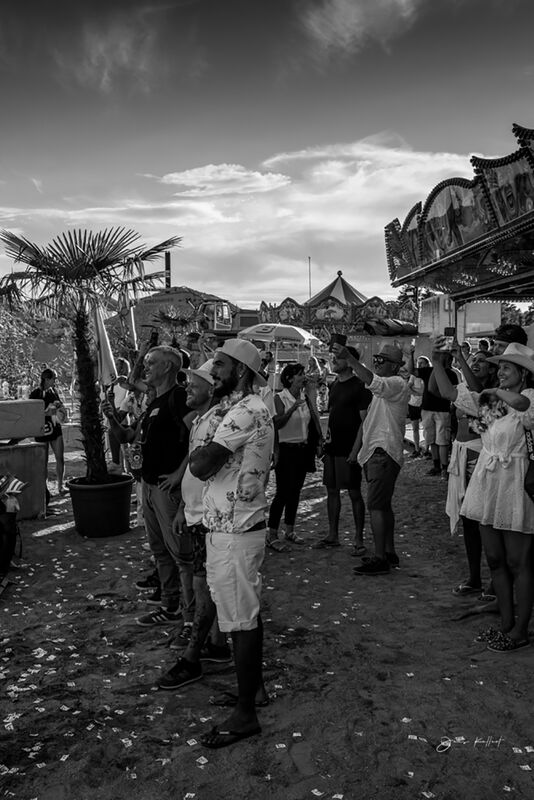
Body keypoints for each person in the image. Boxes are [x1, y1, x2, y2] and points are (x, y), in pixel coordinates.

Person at [189, 339, 274, 749]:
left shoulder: (244, 412)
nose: (212, 371)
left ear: (240, 371)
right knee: (243, 614)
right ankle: (253, 692)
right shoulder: (245, 408)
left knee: (241, 621)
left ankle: (245, 715)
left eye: (219, 365)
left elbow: (201, 465)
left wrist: (202, 446)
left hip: (236, 530)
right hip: (233, 525)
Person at [432, 342, 534, 652]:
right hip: (487, 481)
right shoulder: (494, 401)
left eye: (507, 368)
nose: (500, 372)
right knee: (495, 559)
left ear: (523, 374)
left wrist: (494, 393)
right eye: (499, 367)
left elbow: (522, 406)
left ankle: (520, 630)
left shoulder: (529, 397)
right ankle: (506, 624)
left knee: (518, 561)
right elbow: (452, 395)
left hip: (514, 481)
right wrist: (438, 361)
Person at [103, 346, 193, 628]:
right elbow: (128, 436)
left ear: (167, 367)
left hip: (168, 490)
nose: (145, 368)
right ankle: (170, 606)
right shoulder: (154, 402)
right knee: (160, 550)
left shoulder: (179, 397)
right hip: (149, 486)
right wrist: (112, 418)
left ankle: (190, 616)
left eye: (151, 363)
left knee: (180, 554)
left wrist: (179, 473)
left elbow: (200, 437)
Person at [158, 360, 235, 691]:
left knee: (204, 583)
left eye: (194, 383)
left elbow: (210, 469)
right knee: (204, 581)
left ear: (211, 389)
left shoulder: (219, 420)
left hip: (209, 515)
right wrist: (183, 507)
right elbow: (192, 468)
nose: (187, 387)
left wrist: (194, 509)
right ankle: (216, 644)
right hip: (195, 512)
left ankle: (196, 653)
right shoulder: (203, 419)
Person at [334, 343, 409, 575]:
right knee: (383, 506)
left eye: (381, 360)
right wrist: (358, 449)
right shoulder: (387, 388)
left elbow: (373, 381)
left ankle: (380, 558)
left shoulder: (395, 383)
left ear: (395, 366)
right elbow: (368, 420)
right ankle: (388, 552)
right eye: (376, 358)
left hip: (382, 452)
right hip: (379, 452)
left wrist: (351, 359)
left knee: (376, 506)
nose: (377, 363)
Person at [439, 343, 498, 601]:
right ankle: (475, 577)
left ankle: (495, 582)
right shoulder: (466, 389)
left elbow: (482, 421)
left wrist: (461, 359)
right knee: (469, 519)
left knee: (487, 520)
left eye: (481, 360)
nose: (476, 363)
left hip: (479, 455)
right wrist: (439, 361)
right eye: (473, 359)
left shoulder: (493, 394)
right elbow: (440, 390)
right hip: (461, 452)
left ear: (492, 369)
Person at [314, 346, 371, 553]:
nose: (334, 360)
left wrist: (356, 450)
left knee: (354, 493)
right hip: (333, 447)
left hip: (349, 448)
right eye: (333, 357)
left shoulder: (360, 386)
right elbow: (333, 416)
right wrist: (324, 441)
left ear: (350, 361)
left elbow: (365, 422)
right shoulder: (334, 384)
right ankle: (333, 535)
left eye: (338, 357)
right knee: (331, 490)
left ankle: (359, 539)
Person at [266, 363, 322, 552]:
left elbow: (313, 420)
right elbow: (277, 424)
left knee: (296, 491)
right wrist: (291, 409)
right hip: (286, 449)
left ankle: (289, 529)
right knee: (282, 492)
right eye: (300, 374)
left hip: (302, 449)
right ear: (289, 378)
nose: (303, 376)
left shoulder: (305, 397)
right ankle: (272, 533)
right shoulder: (280, 397)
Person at [417, 349, 459, 477]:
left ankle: (444, 467)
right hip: (429, 408)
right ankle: (437, 466)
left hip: (442, 410)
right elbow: (412, 371)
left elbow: (453, 391)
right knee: (432, 439)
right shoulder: (430, 370)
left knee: (442, 440)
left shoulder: (451, 374)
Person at [30, 368, 67, 497]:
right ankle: (44, 489)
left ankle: (60, 486)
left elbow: (60, 406)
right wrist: (46, 413)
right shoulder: (35, 394)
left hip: (55, 428)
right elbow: (31, 412)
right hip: (42, 430)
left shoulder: (54, 391)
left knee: (60, 457)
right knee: (43, 461)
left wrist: (61, 408)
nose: (55, 381)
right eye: (54, 379)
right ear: (46, 379)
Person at [406, 354, 427, 457]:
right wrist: (418, 393)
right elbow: (408, 387)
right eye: (419, 363)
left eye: (422, 363)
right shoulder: (414, 375)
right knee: (415, 427)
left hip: (425, 404)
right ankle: (417, 448)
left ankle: (427, 448)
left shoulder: (429, 374)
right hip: (414, 404)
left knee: (427, 427)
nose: (420, 365)